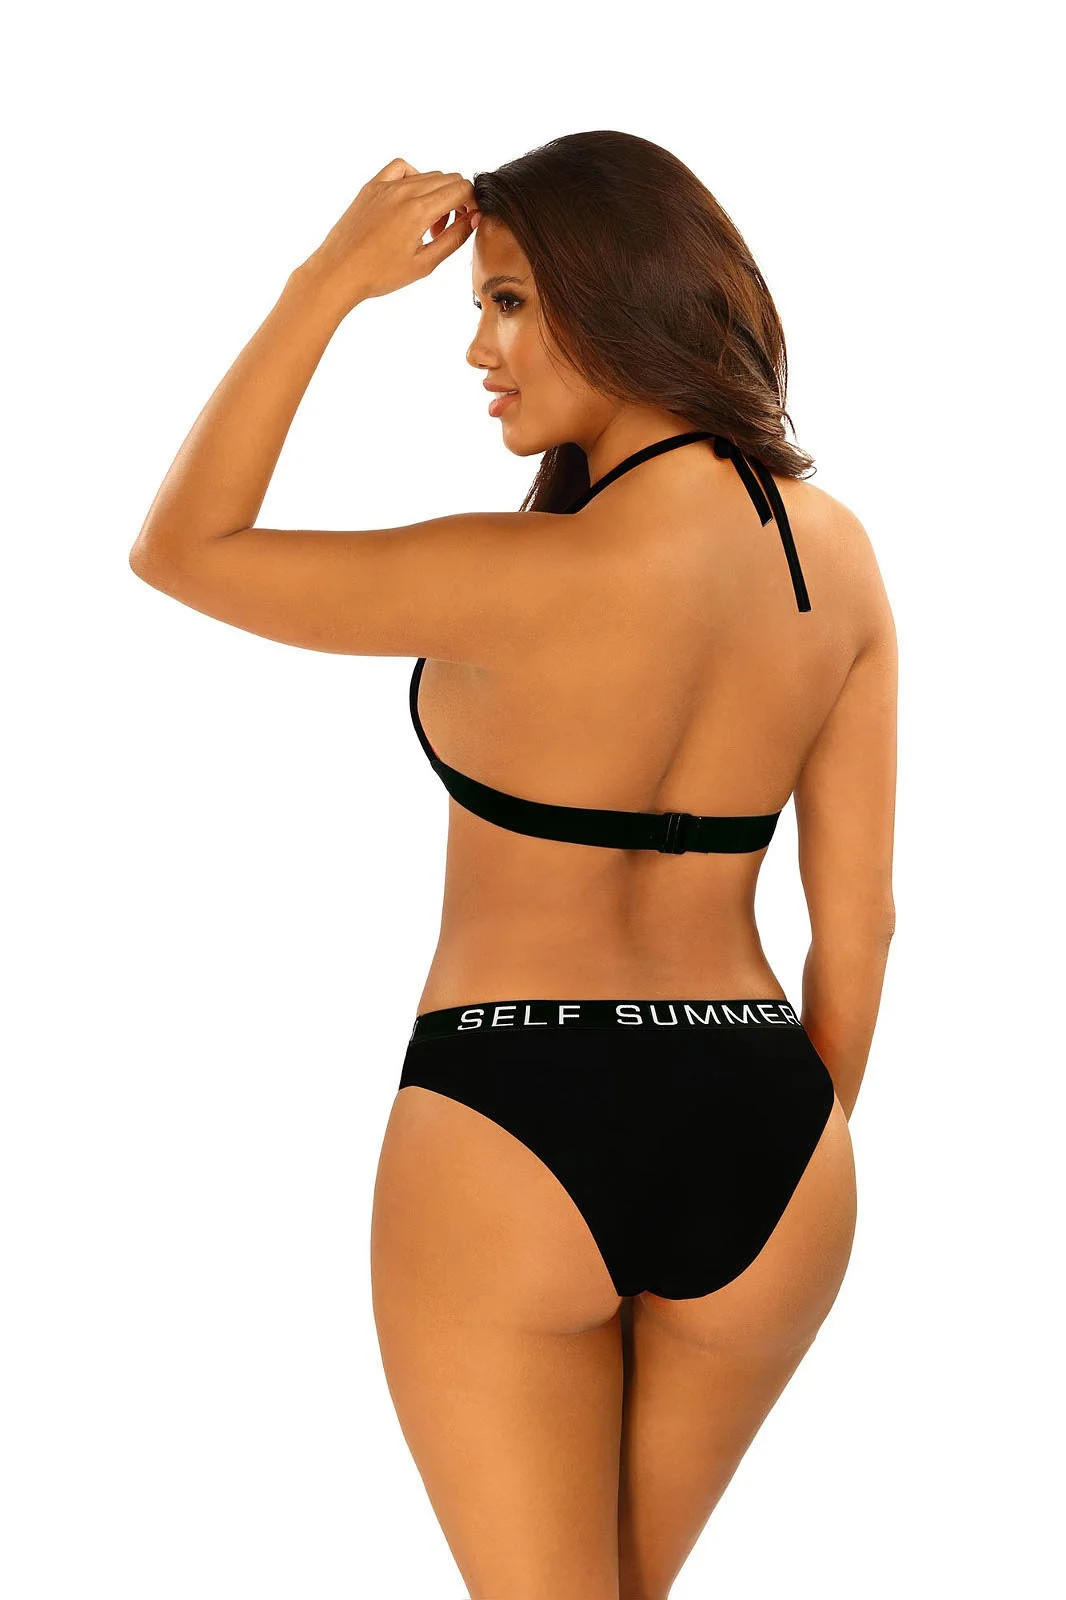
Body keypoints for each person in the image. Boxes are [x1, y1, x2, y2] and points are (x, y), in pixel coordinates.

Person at [129, 131, 897, 1600]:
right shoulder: (834, 558)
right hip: (770, 1127)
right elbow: (856, 923)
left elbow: (182, 546)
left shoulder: (511, 573)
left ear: (622, 297)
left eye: (507, 302)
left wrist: (325, 282)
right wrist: (781, 1148)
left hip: (512, 1119)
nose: (478, 350)